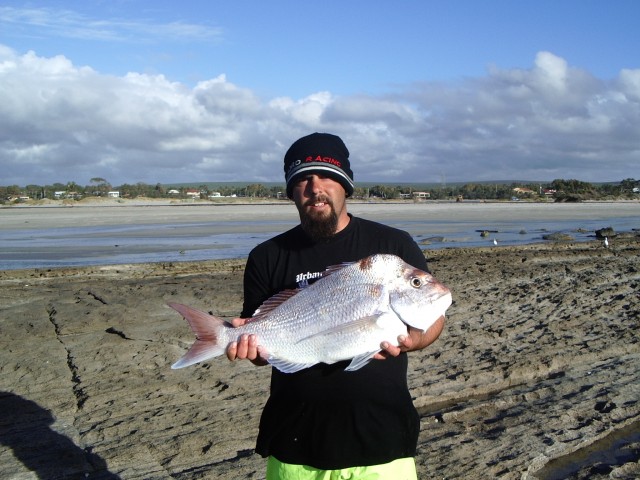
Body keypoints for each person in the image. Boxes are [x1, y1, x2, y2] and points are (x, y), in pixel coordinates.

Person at [226, 132, 445, 479]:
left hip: (382, 443)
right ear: (292, 192)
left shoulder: (392, 244)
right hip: (294, 447)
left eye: (327, 176)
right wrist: (249, 347)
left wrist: (415, 340)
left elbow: (433, 318)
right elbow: (262, 346)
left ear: (345, 185)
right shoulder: (266, 257)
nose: (316, 188)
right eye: (303, 179)